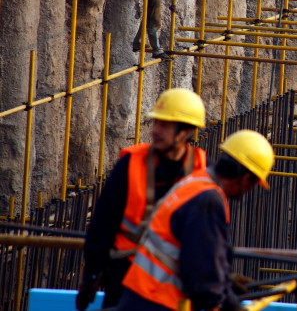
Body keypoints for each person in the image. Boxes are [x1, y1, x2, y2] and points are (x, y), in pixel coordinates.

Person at [76, 88, 207, 311]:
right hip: (126, 275)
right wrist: (92, 276)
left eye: (164, 125)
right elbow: (102, 224)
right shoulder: (131, 164)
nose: (155, 130)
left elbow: (205, 235)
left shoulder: (200, 169)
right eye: (156, 123)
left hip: (174, 282)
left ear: (185, 131)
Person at [116, 129, 275, 311]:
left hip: (140, 294)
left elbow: (197, 253)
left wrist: (225, 281)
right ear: (246, 178)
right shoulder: (208, 201)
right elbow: (202, 275)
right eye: (254, 184)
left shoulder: (197, 180)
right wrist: (227, 302)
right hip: (159, 300)